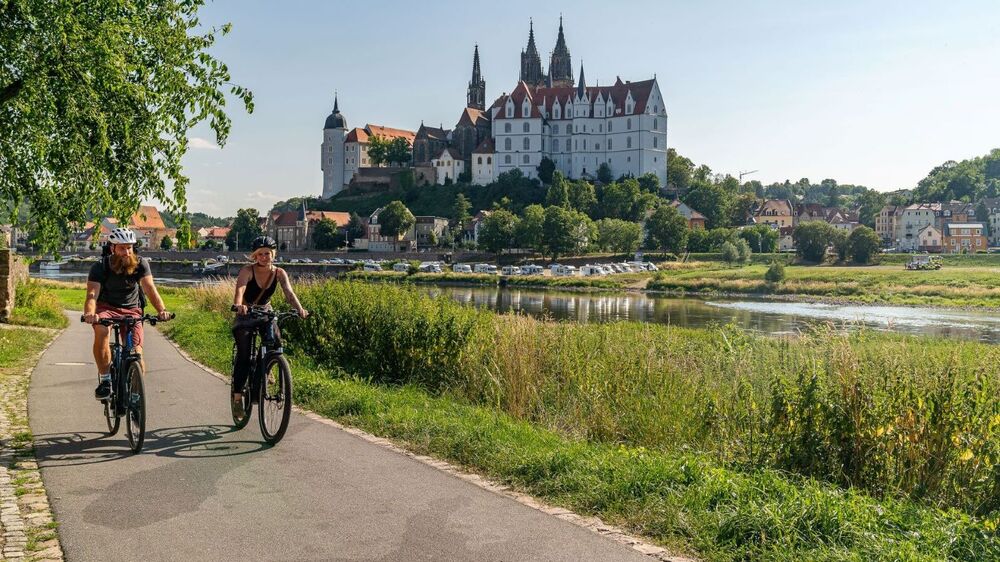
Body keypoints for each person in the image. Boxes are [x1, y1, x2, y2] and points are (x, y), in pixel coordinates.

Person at [83, 227, 172, 400]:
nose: (127, 252)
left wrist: (162, 310)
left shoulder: (140, 264)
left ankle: (136, 396)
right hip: (106, 308)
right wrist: (89, 313)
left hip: (132, 310)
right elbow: (92, 295)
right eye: (122, 248)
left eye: (129, 247)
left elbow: (150, 289)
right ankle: (106, 380)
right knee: (101, 332)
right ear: (112, 248)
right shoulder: (100, 267)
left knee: (136, 353)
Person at [230, 236, 308, 416]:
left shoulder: (279, 272)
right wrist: (238, 305)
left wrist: (300, 309)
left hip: (266, 312)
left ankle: (267, 365)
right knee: (243, 357)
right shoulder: (247, 270)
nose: (264, 257)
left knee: (276, 341)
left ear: (273, 254)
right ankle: (237, 398)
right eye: (261, 254)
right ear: (255, 256)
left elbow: (289, 292)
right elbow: (240, 289)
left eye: (268, 253)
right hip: (247, 313)